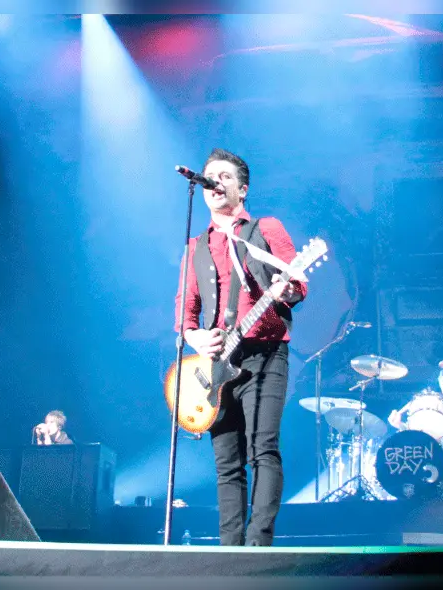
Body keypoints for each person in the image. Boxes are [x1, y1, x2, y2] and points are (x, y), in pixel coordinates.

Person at [173, 148, 307, 546]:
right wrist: (194, 335)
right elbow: (185, 309)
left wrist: (286, 288)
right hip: (217, 364)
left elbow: (297, 282)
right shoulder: (196, 246)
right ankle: (229, 549)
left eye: (225, 177)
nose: (215, 182)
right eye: (210, 176)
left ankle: (258, 545)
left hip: (265, 353)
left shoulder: (265, 228)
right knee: (226, 462)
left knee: (262, 448)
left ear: (242, 189)